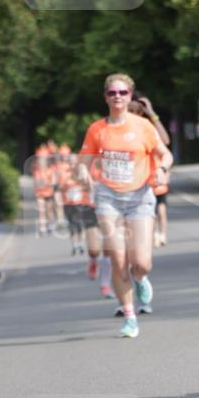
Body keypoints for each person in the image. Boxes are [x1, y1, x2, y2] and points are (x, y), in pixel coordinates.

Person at [78, 73, 173, 338]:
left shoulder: (142, 127)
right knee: (118, 260)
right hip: (108, 199)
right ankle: (129, 315)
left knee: (141, 263)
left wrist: (163, 169)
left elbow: (165, 153)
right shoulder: (97, 129)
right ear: (105, 97)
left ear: (130, 96)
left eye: (122, 93)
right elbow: (83, 161)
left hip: (140, 198)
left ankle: (141, 279)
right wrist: (84, 174)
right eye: (112, 93)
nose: (117, 97)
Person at [128, 93, 171, 248]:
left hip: (154, 176)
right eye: (130, 110)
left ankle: (160, 235)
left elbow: (166, 141)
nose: (134, 115)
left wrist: (152, 113)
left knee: (160, 209)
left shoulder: (148, 126)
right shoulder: (118, 127)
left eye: (138, 111)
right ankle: (149, 237)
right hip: (132, 182)